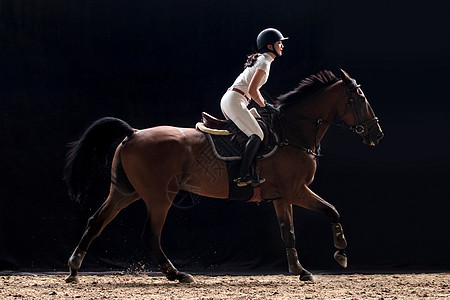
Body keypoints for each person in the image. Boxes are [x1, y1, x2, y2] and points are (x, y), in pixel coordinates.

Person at [220, 28, 288, 187]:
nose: (282, 46)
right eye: (279, 43)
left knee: (257, 127)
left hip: (235, 100)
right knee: (257, 134)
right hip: (235, 100)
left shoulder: (263, 60)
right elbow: (252, 90)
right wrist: (267, 106)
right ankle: (242, 175)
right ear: (270, 46)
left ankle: (248, 167)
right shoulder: (264, 62)